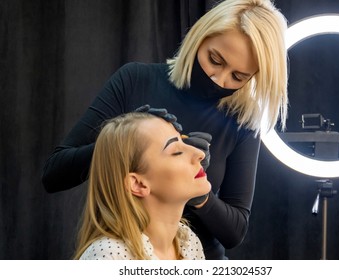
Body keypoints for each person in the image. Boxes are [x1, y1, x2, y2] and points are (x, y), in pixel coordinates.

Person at [42, 0, 288, 259]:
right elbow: (54, 174)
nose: (219, 79)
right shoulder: (135, 80)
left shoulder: (242, 121)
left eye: (239, 77)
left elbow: (234, 232)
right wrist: (126, 138)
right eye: (215, 59)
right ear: (199, 37)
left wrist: (197, 189)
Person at [73, 111, 211, 260]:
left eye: (184, 141)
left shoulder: (188, 242)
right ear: (137, 184)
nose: (200, 153)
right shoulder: (108, 256)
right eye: (176, 152)